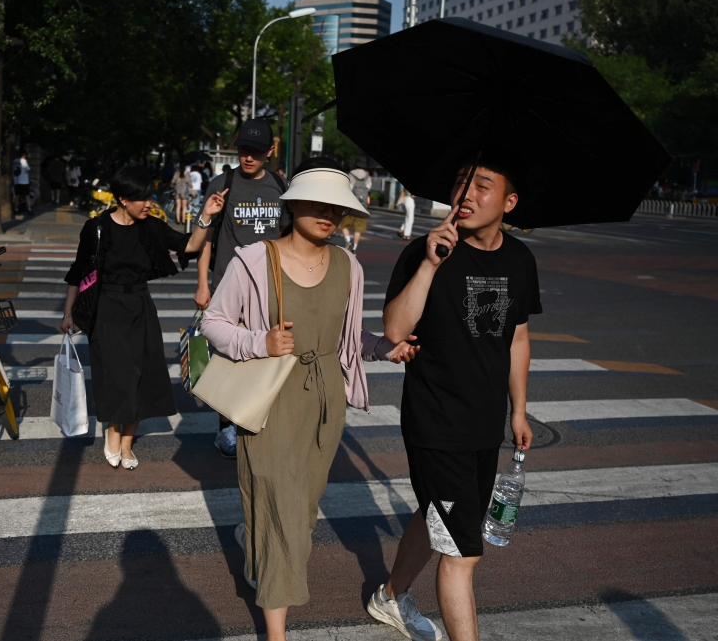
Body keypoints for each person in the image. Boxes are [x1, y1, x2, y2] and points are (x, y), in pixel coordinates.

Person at [199, 166, 418, 641]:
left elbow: (348, 338)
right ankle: (276, 631)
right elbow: (212, 322)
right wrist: (259, 340)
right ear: (293, 205)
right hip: (270, 403)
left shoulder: (347, 266)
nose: (329, 215)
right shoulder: (255, 260)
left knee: (302, 508)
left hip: (324, 405)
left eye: (337, 207)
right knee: (284, 510)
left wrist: (384, 348)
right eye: (319, 204)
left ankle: (256, 547)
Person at [369, 155, 541, 641]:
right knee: (462, 551)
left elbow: (518, 337)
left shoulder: (520, 259)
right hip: (436, 420)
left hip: (485, 422)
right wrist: (429, 262)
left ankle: (389, 595)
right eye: (461, 182)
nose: (466, 194)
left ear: (509, 201)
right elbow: (396, 329)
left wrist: (520, 410)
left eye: (482, 185)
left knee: (439, 515)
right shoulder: (426, 252)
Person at [60, 165, 224, 470]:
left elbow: (189, 245)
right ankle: (112, 430)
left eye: (150, 197)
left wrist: (206, 215)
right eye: (142, 198)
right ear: (123, 199)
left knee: (140, 372)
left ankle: (126, 442)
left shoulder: (151, 227)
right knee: (117, 374)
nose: (149, 203)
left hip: (140, 305)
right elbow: (78, 272)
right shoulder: (97, 228)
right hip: (106, 307)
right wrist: (69, 313)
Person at [195, 119, 288, 458]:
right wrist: (203, 284)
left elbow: (288, 238)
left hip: (270, 286)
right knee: (228, 355)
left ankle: (257, 415)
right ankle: (226, 426)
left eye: (257, 152)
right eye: (244, 151)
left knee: (266, 351)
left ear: (271, 152)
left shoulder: (281, 185)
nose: (249, 158)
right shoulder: (223, 183)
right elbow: (207, 238)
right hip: (227, 286)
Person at [341, 167, 371, 252]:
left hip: (350, 206)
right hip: (362, 207)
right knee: (358, 229)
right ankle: (354, 248)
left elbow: (347, 189)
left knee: (344, 226)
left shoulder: (350, 175)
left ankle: (348, 241)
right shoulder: (367, 177)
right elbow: (369, 189)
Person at [12, 150, 33, 216]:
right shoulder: (23, 161)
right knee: (27, 196)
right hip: (24, 181)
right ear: (24, 155)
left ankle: (16, 209)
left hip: (16, 181)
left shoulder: (14, 161)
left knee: (17, 195)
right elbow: (28, 169)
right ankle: (29, 209)